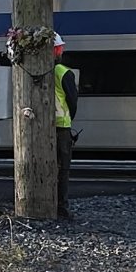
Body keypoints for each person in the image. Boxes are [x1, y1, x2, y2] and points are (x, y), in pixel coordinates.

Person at [52, 34, 80, 219]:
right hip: (62, 126)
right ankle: (61, 206)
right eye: (60, 47)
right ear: (56, 50)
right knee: (63, 168)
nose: (61, 50)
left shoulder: (33, 70)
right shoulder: (63, 72)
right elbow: (73, 101)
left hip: (40, 127)